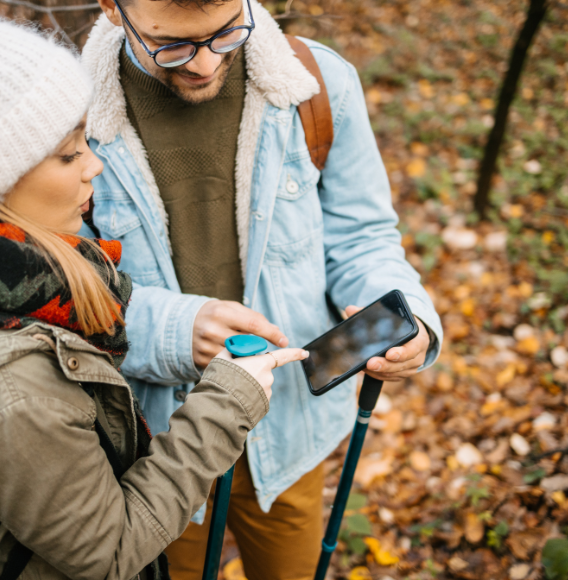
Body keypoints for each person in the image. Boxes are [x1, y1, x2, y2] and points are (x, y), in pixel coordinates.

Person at [0, 0, 306, 578]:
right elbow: (109, 552)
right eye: (70, 153)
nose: (93, 168)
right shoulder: (11, 394)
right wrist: (228, 399)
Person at [81, 0, 444, 578]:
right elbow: (60, 292)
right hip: (156, 449)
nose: (202, 65)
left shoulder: (317, 87)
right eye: (171, 44)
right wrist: (175, 331)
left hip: (288, 430)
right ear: (111, 7)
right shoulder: (65, 115)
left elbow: (364, 238)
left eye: (226, 33)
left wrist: (412, 316)